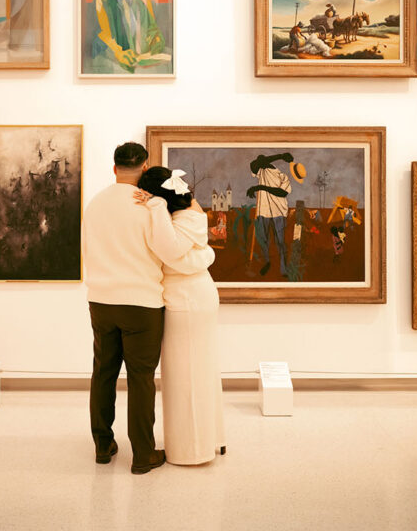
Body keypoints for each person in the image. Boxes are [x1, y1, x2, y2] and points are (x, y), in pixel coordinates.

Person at [82, 142, 212, 475]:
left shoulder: (94, 204)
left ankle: (102, 445)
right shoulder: (152, 206)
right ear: (144, 167)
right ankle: (142, 454)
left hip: (100, 301)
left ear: (114, 168)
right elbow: (170, 251)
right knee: (141, 379)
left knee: (104, 372)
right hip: (141, 303)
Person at [134, 167, 225, 466]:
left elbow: (170, 251)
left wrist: (155, 205)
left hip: (187, 301)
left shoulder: (179, 216)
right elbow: (191, 256)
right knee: (198, 369)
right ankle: (210, 439)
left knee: (184, 375)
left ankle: (191, 451)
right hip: (194, 297)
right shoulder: (188, 212)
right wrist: (205, 257)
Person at [91, 0, 166, 74]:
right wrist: (118, 52)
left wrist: (157, 40)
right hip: (115, 58)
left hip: (142, 58)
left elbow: (153, 29)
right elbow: (104, 34)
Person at [246, 153, 296, 277]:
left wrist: (260, 187)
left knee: (280, 242)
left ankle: (284, 268)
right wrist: (280, 156)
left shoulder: (282, 176)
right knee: (264, 240)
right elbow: (254, 165)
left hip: (279, 212)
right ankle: (267, 262)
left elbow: (281, 193)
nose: (259, 163)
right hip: (263, 211)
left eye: (261, 161)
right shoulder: (261, 171)